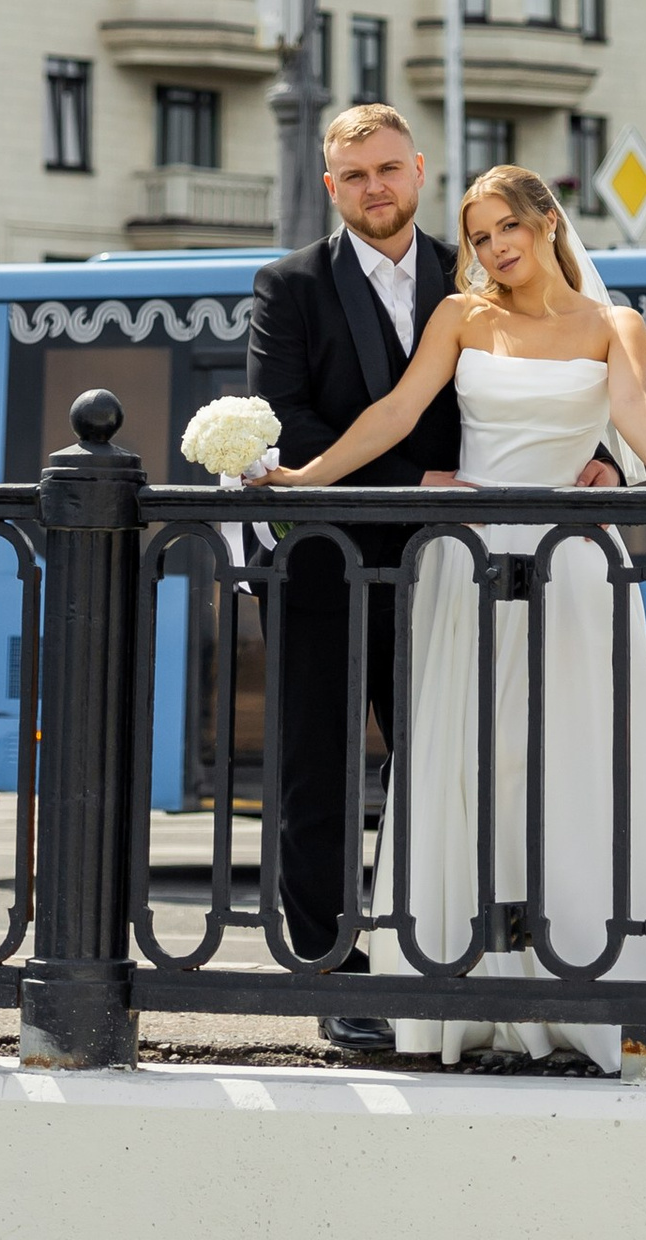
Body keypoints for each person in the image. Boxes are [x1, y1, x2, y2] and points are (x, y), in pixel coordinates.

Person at [266, 161, 646, 1072]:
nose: (493, 248)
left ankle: (592, 968)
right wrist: (306, 476)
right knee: (469, 754)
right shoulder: (460, 316)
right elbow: (395, 413)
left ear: (548, 224)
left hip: (573, 565)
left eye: (506, 229)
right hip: (469, 564)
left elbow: (633, 416)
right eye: (481, 235)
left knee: (582, 754)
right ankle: (471, 974)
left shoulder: (617, 325)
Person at [244, 103, 464, 1048]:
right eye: (355, 176)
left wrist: (602, 465)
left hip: (449, 568)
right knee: (318, 772)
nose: (375, 188)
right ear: (332, 187)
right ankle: (333, 968)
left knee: (449, 759)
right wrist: (411, 477)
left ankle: (441, 948)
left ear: (420, 171)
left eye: (389, 169)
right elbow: (283, 416)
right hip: (321, 562)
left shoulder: (477, 273)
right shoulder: (289, 284)